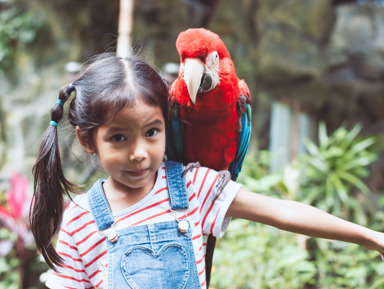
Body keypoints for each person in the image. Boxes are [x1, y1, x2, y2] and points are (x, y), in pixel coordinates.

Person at [30, 53, 384, 289]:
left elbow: (282, 211)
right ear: (88, 141)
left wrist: (372, 238)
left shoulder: (192, 186)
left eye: (152, 132)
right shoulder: (80, 219)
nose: (139, 154)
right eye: (118, 138)